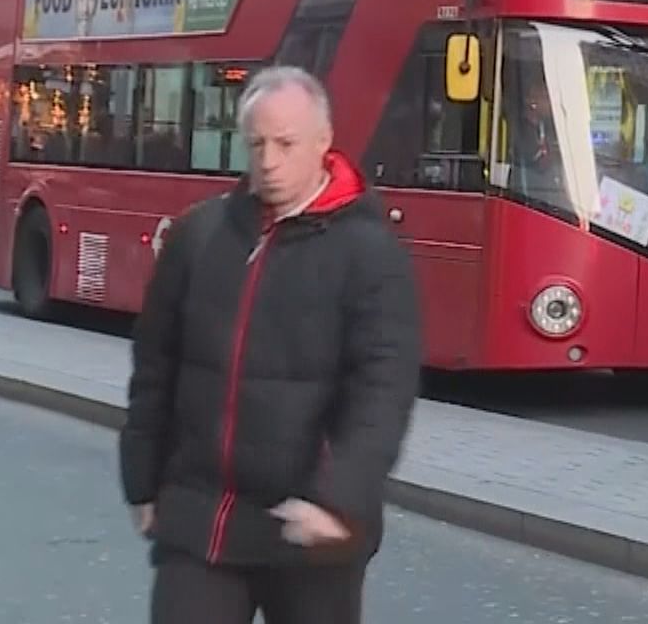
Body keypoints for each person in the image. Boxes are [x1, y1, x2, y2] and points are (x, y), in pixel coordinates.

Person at [120, 66, 422, 624]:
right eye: (256, 144)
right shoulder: (200, 235)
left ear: (323, 143)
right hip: (201, 518)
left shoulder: (370, 253)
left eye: (285, 144)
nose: (269, 161)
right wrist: (142, 481)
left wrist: (336, 496)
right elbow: (155, 367)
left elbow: (382, 390)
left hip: (308, 524)